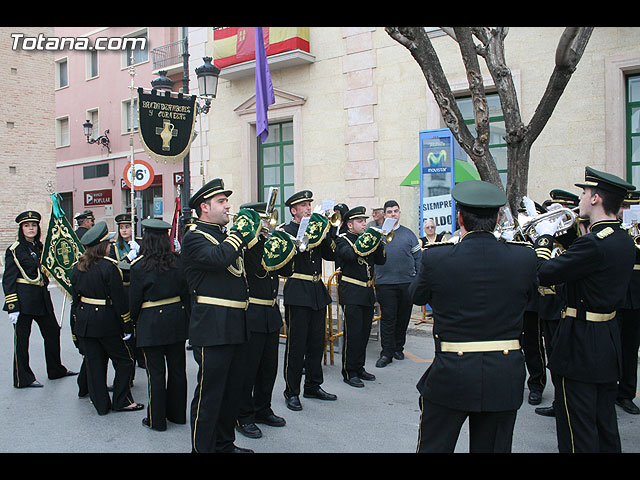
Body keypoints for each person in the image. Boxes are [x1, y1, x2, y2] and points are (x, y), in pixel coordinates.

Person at [409, 180, 538, 453]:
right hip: (504, 373)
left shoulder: (437, 258)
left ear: (459, 217)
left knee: (435, 447)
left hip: (451, 373)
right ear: (498, 218)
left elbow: (416, 296)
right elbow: (531, 299)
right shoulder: (524, 258)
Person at [533, 166, 636, 453]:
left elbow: (544, 272)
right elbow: (586, 273)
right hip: (607, 337)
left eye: (584, 192)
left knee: (575, 424)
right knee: (604, 421)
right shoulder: (622, 240)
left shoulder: (593, 244)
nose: (580, 197)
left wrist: (543, 239)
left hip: (580, 341)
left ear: (595, 199)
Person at [181, 178, 261, 453]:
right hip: (212, 326)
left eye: (227, 201)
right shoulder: (194, 237)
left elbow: (251, 267)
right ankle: (201, 449)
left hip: (237, 324)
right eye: (221, 202)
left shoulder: (224, 236)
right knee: (210, 394)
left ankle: (225, 444)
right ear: (204, 207)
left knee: (232, 391)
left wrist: (257, 237)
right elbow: (217, 258)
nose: (228, 206)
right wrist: (239, 234)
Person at [70, 221, 142, 415]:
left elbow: (74, 300)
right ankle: (121, 400)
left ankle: (101, 404)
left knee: (94, 363)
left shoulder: (77, 267)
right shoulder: (109, 267)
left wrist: (75, 326)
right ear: (103, 246)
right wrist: (126, 326)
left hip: (84, 320)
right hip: (106, 322)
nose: (111, 246)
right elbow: (119, 301)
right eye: (108, 243)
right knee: (125, 360)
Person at [234, 202, 293, 439]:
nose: (267, 224)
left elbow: (286, 271)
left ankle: (263, 408)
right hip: (252, 312)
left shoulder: (269, 243)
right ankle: (243, 415)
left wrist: (287, 247)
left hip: (270, 313)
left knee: (268, 367)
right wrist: (260, 238)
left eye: (267, 220)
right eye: (262, 220)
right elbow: (255, 263)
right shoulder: (247, 246)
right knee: (249, 369)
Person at [3, 210, 78, 388]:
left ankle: (55, 370)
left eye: (34, 225)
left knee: (52, 332)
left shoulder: (41, 248)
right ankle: (23, 378)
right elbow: (8, 279)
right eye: (27, 226)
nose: (31, 228)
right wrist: (13, 306)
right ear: (21, 228)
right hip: (24, 300)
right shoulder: (15, 250)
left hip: (42, 298)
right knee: (22, 341)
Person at [129, 218, 190, 431]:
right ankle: (177, 415)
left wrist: (133, 323)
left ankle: (157, 420)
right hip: (176, 320)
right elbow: (186, 295)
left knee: (155, 373)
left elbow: (134, 302)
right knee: (177, 370)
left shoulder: (138, 267)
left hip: (150, 324)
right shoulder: (178, 261)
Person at [281, 190, 338, 411]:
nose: (308, 208)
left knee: (317, 343)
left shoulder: (317, 229)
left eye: (309, 204)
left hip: (316, 290)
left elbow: (331, 254)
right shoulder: (287, 231)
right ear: (294, 210)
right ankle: (291, 391)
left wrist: (328, 231)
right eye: (303, 205)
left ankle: (313, 386)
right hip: (298, 290)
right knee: (296, 345)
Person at [534, 189, 580, 418]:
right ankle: (560, 401)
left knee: (565, 358)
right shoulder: (552, 233)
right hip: (546, 304)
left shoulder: (574, 236)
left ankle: (569, 402)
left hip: (564, 304)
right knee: (553, 356)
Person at [335, 206, 386, 388]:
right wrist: (368, 240)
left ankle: (359, 366)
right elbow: (349, 255)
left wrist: (379, 243)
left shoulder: (368, 240)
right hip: (351, 291)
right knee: (353, 333)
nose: (364, 224)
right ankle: (349, 371)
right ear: (350, 225)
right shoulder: (343, 240)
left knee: (365, 332)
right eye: (360, 222)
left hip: (366, 291)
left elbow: (381, 261)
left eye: (364, 221)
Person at [373, 200, 421, 368]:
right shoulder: (378, 234)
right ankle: (386, 353)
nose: (393, 214)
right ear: (384, 214)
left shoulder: (409, 234)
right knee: (388, 318)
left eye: (396, 211)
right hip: (385, 284)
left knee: (403, 317)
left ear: (399, 213)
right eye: (390, 212)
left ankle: (398, 348)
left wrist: (417, 280)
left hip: (406, 283)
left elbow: (418, 259)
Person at [615, 189, 640, 415]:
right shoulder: (614, 232)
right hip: (615, 293)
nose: (625, 212)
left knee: (630, 348)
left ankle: (626, 393)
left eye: (631, 208)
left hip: (636, 296)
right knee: (610, 346)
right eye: (623, 208)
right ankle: (607, 389)